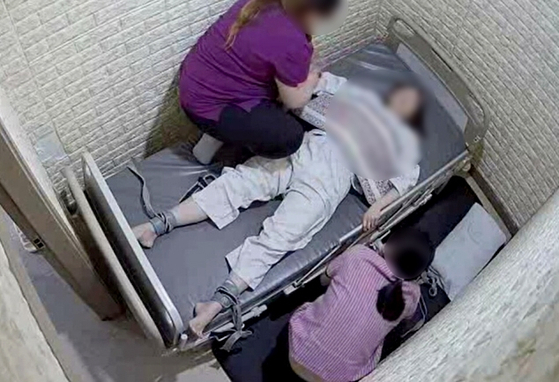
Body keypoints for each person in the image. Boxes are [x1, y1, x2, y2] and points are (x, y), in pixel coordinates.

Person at [132, 84, 426, 338]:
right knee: (239, 183)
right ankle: (157, 225)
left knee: (283, 234)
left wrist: (376, 207)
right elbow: (312, 104)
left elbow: (406, 180)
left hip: (330, 182)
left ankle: (219, 301)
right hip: (306, 150)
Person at [180, 0, 342, 164]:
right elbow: (294, 101)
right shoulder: (293, 41)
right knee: (288, 137)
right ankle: (230, 148)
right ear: (313, 14)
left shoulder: (258, 4)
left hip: (193, 86)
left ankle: (215, 137)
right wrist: (313, 79)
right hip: (210, 107)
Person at [289, 228, 435, 382]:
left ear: (389, 246)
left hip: (298, 352)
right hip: (339, 377)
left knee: (324, 300)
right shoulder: (412, 295)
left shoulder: (359, 254)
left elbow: (323, 280)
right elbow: (407, 316)